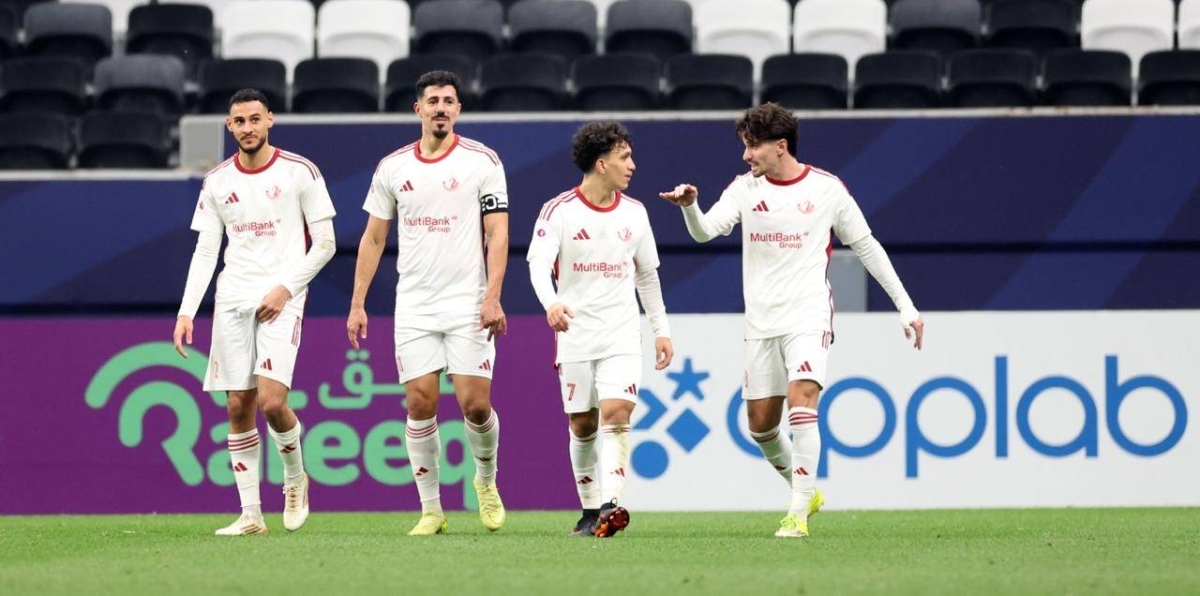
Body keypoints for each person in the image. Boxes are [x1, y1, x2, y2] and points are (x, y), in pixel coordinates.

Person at [659, 103, 924, 538]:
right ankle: (807, 492)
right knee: (761, 425)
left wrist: (905, 305)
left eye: (753, 146)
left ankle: (797, 513)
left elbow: (867, 245)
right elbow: (705, 231)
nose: (746, 155)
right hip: (761, 322)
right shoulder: (744, 189)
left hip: (808, 314)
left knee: (802, 400)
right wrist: (690, 207)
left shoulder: (826, 189)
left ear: (780, 146)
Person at [347, 70, 508, 536]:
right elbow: (373, 238)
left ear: (458, 109)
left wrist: (492, 296)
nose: (441, 108)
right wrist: (357, 303)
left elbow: (497, 232)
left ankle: (485, 480)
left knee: (475, 405)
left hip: (467, 302)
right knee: (419, 403)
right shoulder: (393, 168)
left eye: (449, 101)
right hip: (415, 305)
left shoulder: (482, 161)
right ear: (418, 109)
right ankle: (431, 510)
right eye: (433, 101)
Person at [173, 88, 337, 536]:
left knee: (272, 401)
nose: (247, 128)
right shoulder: (217, 181)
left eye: (254, 119)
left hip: (282, 297)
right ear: (230, 126)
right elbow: (206, 250)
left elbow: (325, 244)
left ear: (270, 120)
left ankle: (295, 478)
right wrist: (187, 311)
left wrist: (286, 289)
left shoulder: (300, 171)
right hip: (232, 299)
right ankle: (251, 515)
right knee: (237, 404)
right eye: (239, 121)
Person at [527, 122, 673, 538]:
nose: (632, 165)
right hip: (575, 333)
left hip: (621, 334)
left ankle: (610, 503)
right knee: (583, 424)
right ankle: (589, 510)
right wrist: (551, 303)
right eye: (624, 157)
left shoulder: (636, 213)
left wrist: (661, 329)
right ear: (601, 163)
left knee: (617, 414)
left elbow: (647, 276)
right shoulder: (558, 210)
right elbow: (538, 264)